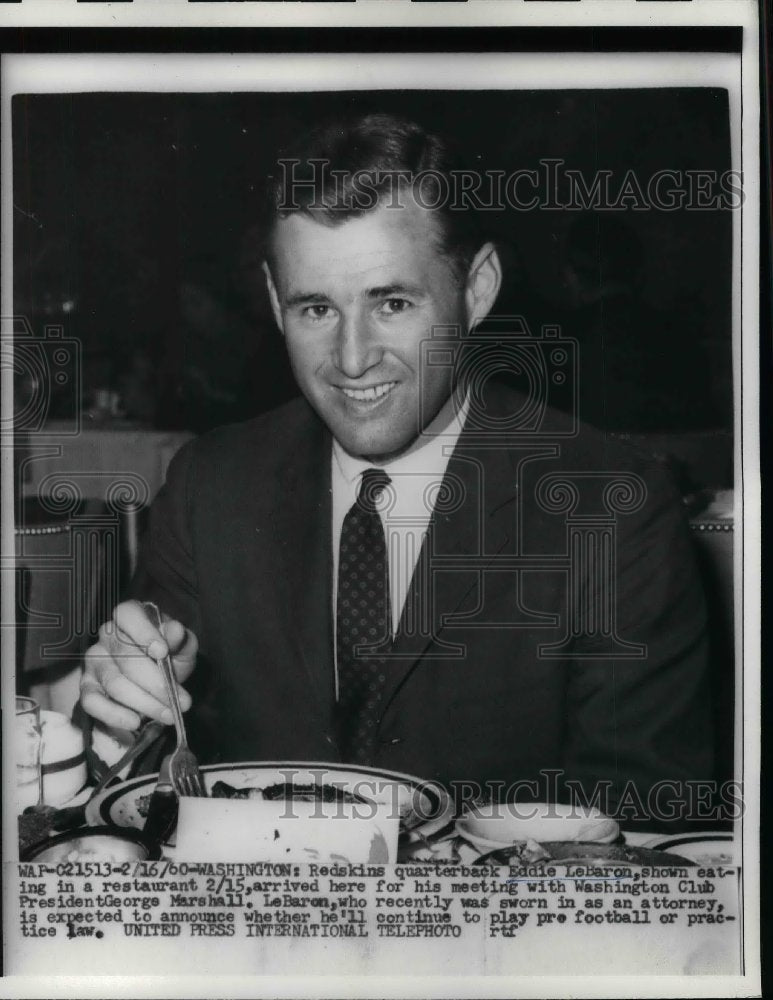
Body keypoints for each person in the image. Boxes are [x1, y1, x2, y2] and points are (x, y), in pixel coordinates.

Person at [80, 113, 713, 826]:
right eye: (316, 307)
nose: (352, 360)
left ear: (476, 288)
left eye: (393, 303)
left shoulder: (613, 505)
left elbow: (649, 824)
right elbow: (149, 772)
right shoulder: (208, 486)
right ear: (271, 300)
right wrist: (122, 715)